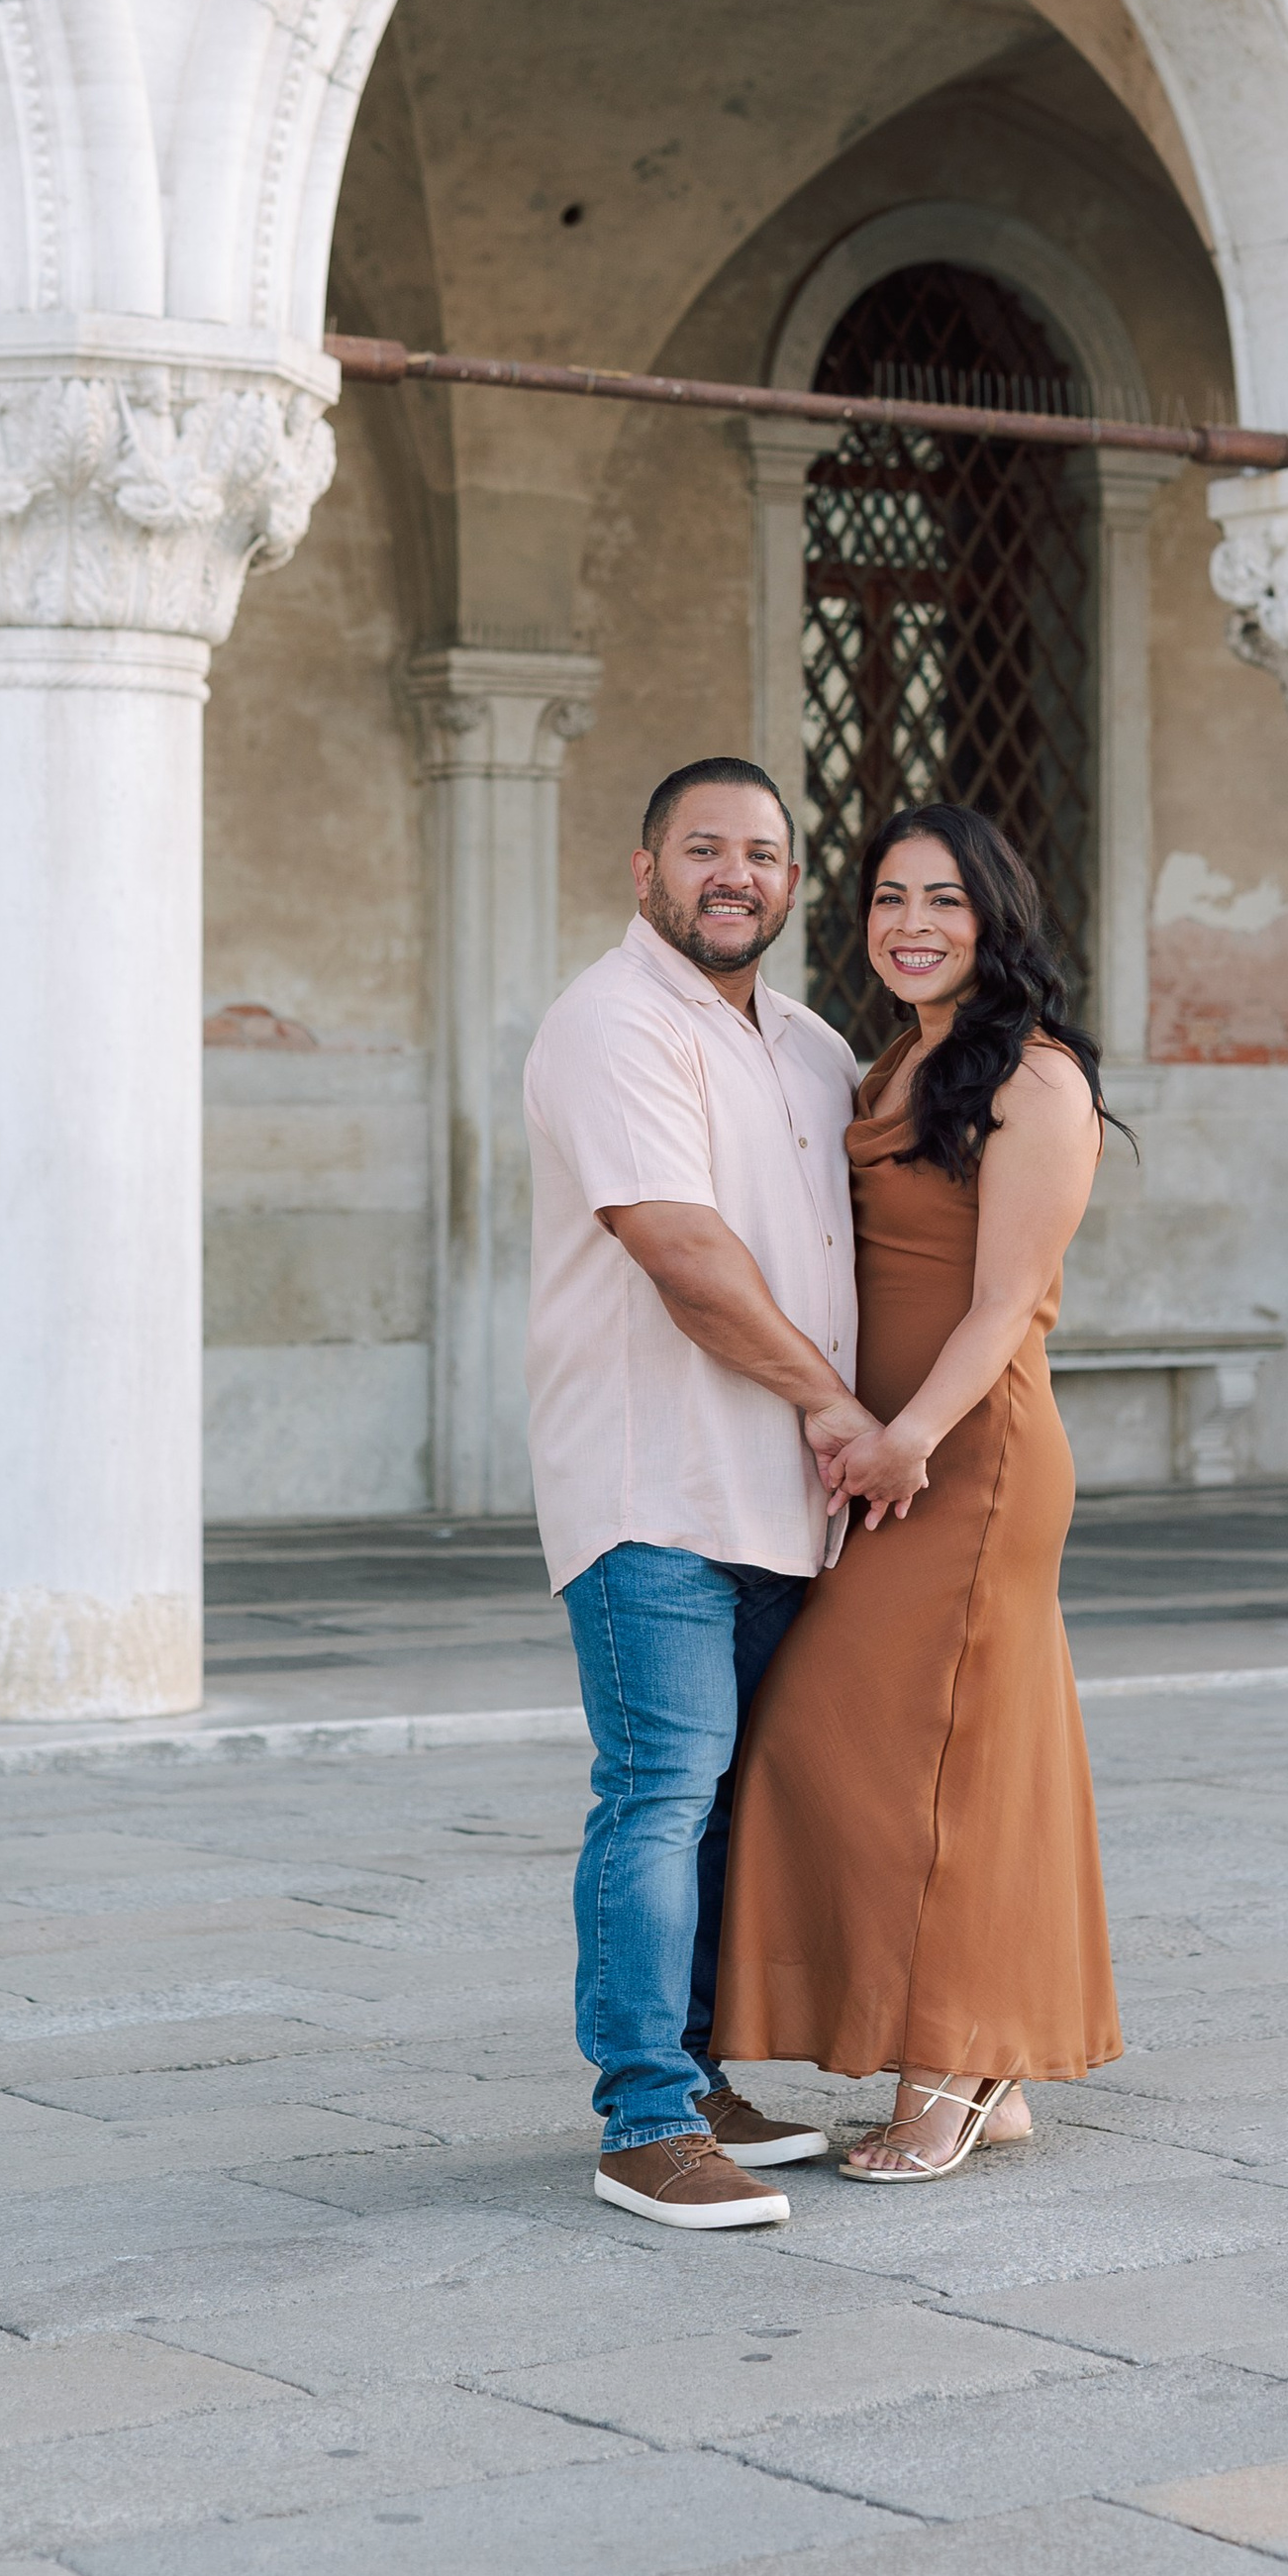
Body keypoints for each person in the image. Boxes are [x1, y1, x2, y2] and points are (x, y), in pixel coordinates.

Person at [713, 801, 1122, 2178]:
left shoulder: (1036, 1081)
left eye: (942, 900)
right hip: (895, 1451)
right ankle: (985, 2062)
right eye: (890, 898)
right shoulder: (897, 1062)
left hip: (973, 1458)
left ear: (994, 917)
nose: (911, 924)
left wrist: (908, 1439)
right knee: (936, 1758)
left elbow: (1007, 1298)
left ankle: (946, 2067)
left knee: (906, 1758)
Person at [522, 756, 878, 2231]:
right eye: (704, 849)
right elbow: (682, 1252)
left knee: (731, 1800)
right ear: (644, 868)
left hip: (788, 1495)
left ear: (793, 883)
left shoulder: (808, 1044)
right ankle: (644, 2118)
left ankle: (704, 2073)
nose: (736, 874)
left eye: (764, 855)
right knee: (662, 1790)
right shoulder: (608, 1024)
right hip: (651, 1481)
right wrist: (835, 1407)